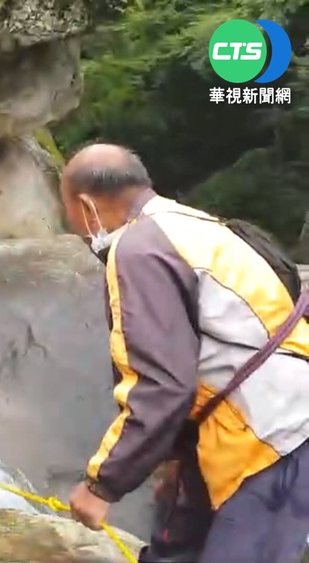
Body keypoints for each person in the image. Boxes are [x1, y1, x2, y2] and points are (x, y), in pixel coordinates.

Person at [60, 143, 309, 562]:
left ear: (86, 206)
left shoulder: (138, 248)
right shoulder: (191, 224)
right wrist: (173, 457)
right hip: (249, 425)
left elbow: (160, 384)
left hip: (270, 438)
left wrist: (101, 485)